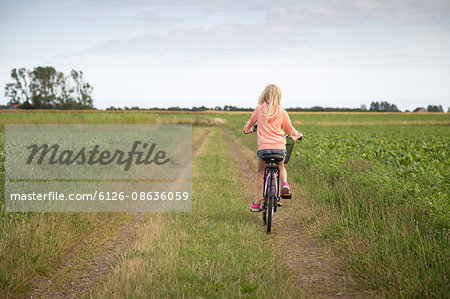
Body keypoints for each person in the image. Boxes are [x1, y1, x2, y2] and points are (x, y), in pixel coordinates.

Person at [243, 84, 303, 212]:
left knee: (260, 173)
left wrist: (247, 130)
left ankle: (256, 203)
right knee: (281, 166)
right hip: (279, 149)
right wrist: (298, 135)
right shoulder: (282, 111)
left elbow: (249, 124)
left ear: (265, 95)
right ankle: (285, 184)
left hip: (264, 149)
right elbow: (290, 129)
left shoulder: (259, 109)